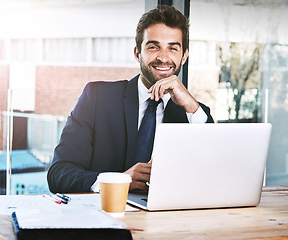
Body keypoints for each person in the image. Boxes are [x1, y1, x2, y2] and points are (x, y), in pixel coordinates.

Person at [47, 5, 214, 193]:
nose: (163, 57)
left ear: (184, 57)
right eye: (153, 47)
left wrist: (192, 106)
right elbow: (59, 173)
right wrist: (117, 181)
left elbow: (216, 170)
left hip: (168, 219)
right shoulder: (97, 98)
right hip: (106, 215)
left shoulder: (195, 114)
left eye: (173, 48)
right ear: (137, 53)